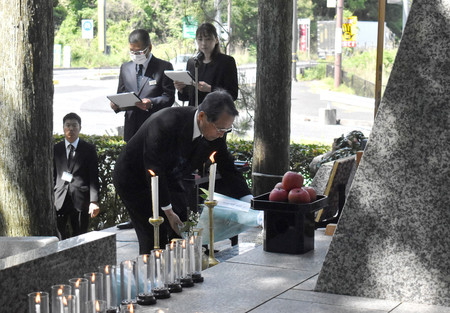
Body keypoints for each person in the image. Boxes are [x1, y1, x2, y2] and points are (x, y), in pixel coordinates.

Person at [113, 90, 251, 254]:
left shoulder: (215, 135)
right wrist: (168, 211)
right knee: (155, 233)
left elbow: (228, 167)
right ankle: (152, 271)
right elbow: (154, 169)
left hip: (171, 178)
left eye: (227, 130)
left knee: (186, 229)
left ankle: (182, 271)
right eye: (220, 128)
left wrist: (250, 203)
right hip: (135, 179)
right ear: (202, 117)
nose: (222, 134)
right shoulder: (166, 122)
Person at [110, 29, 175, 142]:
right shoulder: (125, 68)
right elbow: (121, 94)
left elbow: (169, 97)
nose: (135, 55)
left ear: (149, 48)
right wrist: (116, 105)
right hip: (132, 128)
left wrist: (151, 103)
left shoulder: (164, 67)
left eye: (139, 52)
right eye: (132, 52)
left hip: (155, 126)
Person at [54, 113, 100, 240]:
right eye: (67, 125)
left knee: (80, 236)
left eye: (74, 125)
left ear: (80, 128)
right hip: (59, 199)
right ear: (63, 128)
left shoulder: (88, 149)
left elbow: (93, 176)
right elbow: (52, 175)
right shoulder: (55, 149)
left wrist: (94, 201)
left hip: (81, 199)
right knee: (59, 237)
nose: (71, 129)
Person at [174, 22, 238, 107]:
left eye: (208, 39)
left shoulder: (227, 62)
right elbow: (187, 97)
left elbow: (233, 94)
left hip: (217, 112)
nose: (203, 43)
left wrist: (210, 89)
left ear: (216, 40)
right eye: (200, 39)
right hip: (195, 113)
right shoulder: (192, 62)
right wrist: (181, 89)